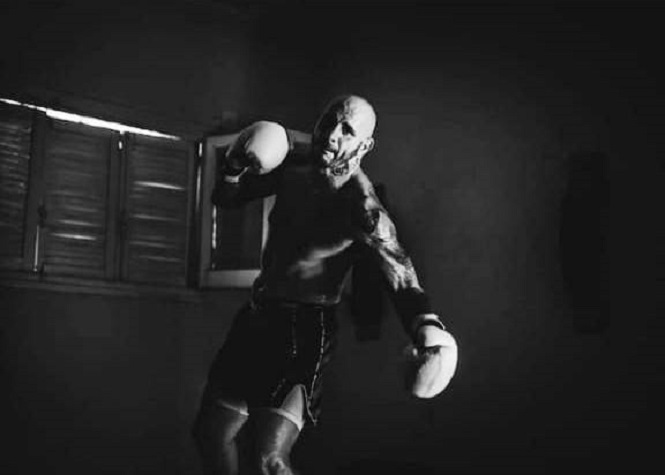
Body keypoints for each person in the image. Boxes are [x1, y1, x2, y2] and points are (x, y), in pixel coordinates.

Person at [192, 95, 458, 475]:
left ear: (364, 146)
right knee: (210, 435)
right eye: (328, 121)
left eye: (347, 130)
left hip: (303, 328)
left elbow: (400, 275)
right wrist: (233, 166)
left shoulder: (362, 208)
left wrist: (427, 326)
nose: (332, 135)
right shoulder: (293, 165)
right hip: (257, 315)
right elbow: (227, 198)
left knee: (268, 461)